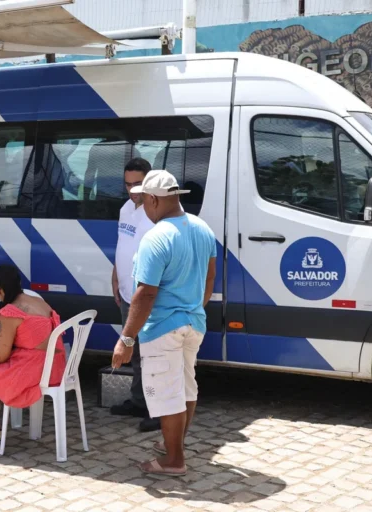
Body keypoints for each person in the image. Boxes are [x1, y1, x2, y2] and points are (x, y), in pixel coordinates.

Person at [111, 170, 217, 477]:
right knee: (186, 388)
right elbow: (209, 277)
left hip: (163, 328)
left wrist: (126, 338)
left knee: (168, 395)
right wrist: (193, 306)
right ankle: (173, 445)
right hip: (194, 323)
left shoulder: (156, 237)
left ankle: (174, 461)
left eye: (143, 199)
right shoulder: (201, 228)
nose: (142, 206)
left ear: (154, 199)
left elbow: (145, 294)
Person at [0, 265, 66, 446]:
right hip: (53, 367)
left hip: (32, 372)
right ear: (19, 284)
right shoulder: (41, 302)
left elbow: (1, 357)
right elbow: (27, 342)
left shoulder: (10, 312)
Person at [110, 157, 161, 433]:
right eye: (128, 184)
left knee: (153, 354)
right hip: (127, 291)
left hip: (146, 294)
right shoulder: (126, 208)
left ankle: (158, 410)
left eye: (138, 184)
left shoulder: (155, 212)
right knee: (136, 352)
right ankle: (139, 401)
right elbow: (123, 244)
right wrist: (115, 274)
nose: (132, 190)